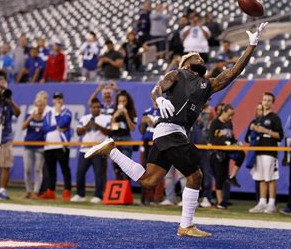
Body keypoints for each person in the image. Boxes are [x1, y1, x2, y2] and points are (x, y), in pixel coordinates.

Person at [84, 22, 268, 237]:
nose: (200, 58)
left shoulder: (206, 84)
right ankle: (186, 225)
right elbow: (158, 87)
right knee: (195, 175)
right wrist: (159, 98)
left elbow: (233, 73)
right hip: (171, 130)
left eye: (200, 56)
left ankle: (111, 150)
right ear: (186, 64)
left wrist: (252, 45)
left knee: (149, 181)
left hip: (169, 132)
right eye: (195, 56)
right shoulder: (178, 74)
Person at [248, 92, 284, 213]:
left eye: (269, 100)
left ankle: (272, 203)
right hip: (258, 151)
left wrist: (266, 130)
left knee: (271, 178)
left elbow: (280, 136)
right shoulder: (259, 118)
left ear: (272, 103)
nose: (266, 102)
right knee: (261, 178)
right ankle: (262, 202)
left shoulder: (275, 118)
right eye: (264, 100)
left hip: (270, 151)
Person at [71, 98, 111, 203]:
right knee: (80, 172)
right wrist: (87, 126)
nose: (96, 109)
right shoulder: (85, 118)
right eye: (94, 107)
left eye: (98, 107)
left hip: (99, 150)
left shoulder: (106, 118)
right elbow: (78, 132)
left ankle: (98, 195)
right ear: (90, 108)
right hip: (85, 149)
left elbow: (109, 131)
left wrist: (97, 125)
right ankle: (80, 194)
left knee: (99, 173)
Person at [208, 104, 245, 209]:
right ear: (224, 112)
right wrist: (226, 143)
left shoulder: (229, 124)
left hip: (227, 152)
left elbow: (231, 137)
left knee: (241, 154)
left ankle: (232, 176)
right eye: (229, 115)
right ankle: (220, 202)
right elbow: (211, 140)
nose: (231, 117)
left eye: (232, 115)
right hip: (217, 153)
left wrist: (237, 142)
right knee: (219, 178)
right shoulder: (215, 123)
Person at [39, 92, 72, 200]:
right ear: (52, 100)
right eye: (56, 98)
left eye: (60, 98)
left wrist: (58, 114)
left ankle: (67, 191)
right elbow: (44, 128)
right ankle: (50, 191)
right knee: (50, 170)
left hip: (61, 145)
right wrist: (55, 127)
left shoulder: (67, 112)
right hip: (49, 145)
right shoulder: (48, 113)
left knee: (64, 169)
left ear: (63, 100)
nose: (58, 100)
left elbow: (63, 123)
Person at [22, 96, 46, 199]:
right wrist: (31, 117)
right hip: (29, 146)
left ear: (44, 107)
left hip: (40, 147)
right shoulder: (29, 115)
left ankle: (36, 192)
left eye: (41, 105)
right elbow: (23, 127)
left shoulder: (46, 117)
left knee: (38, 169)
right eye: (37, 105)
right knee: (27, 169)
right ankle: (28, 191)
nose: (39, 107)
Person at [191, 102, 215, 208]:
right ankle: (193, 197)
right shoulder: (194, 109)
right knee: (192, 173)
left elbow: (209, 128)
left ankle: (207, 197)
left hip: (205, 147)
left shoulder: (211, 112)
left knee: (206, 173)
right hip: (193, 146)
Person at [110, 90, 137, 180]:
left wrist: (126, 114)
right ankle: (119, 190)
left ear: (127, 101)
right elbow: (113, 128)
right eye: (120, 101)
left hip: (126, 140)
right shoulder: (114, 111)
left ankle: (126, 190)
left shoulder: (132, 112)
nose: (121, 103)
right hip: (115, 140)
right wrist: (114, 116)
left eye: (123, 101)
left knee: (125, 167)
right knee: (116, 166)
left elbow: (132, 128)